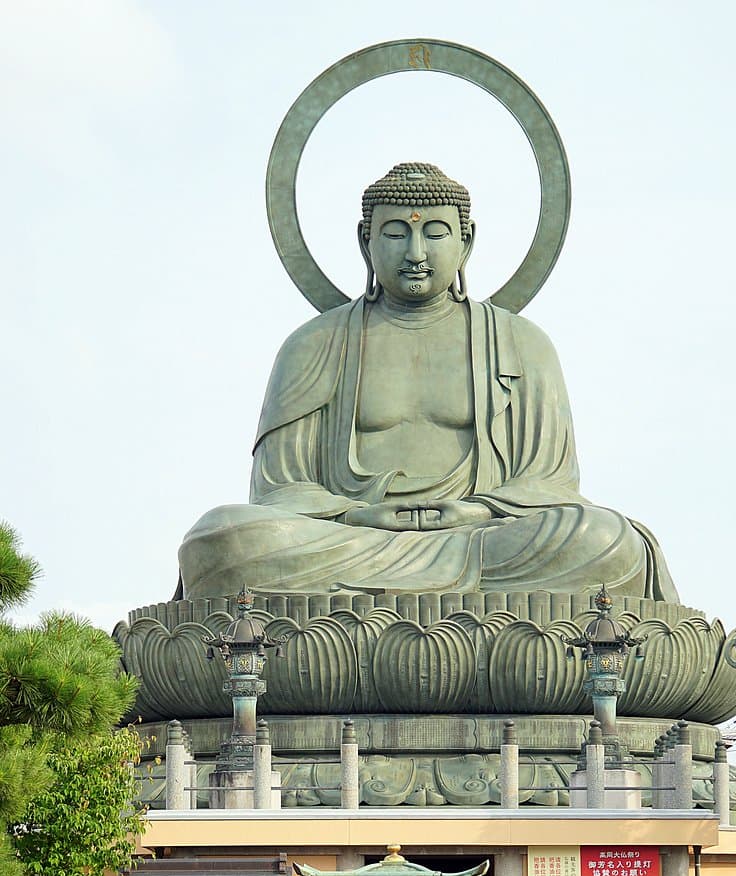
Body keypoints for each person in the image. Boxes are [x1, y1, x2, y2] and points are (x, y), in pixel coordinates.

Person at [178, 163, 679, 602]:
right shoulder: (314, 344)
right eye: (395, 233)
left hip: (481, 538)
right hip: (353, 539)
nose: (415, 251)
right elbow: (279, 491)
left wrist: (474, 511)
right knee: (224, 537)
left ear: (467, 241)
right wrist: (356, 518)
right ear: (364, 240)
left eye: (435, 232)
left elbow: (551, 485)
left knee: (604, 539)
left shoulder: (522, 343)